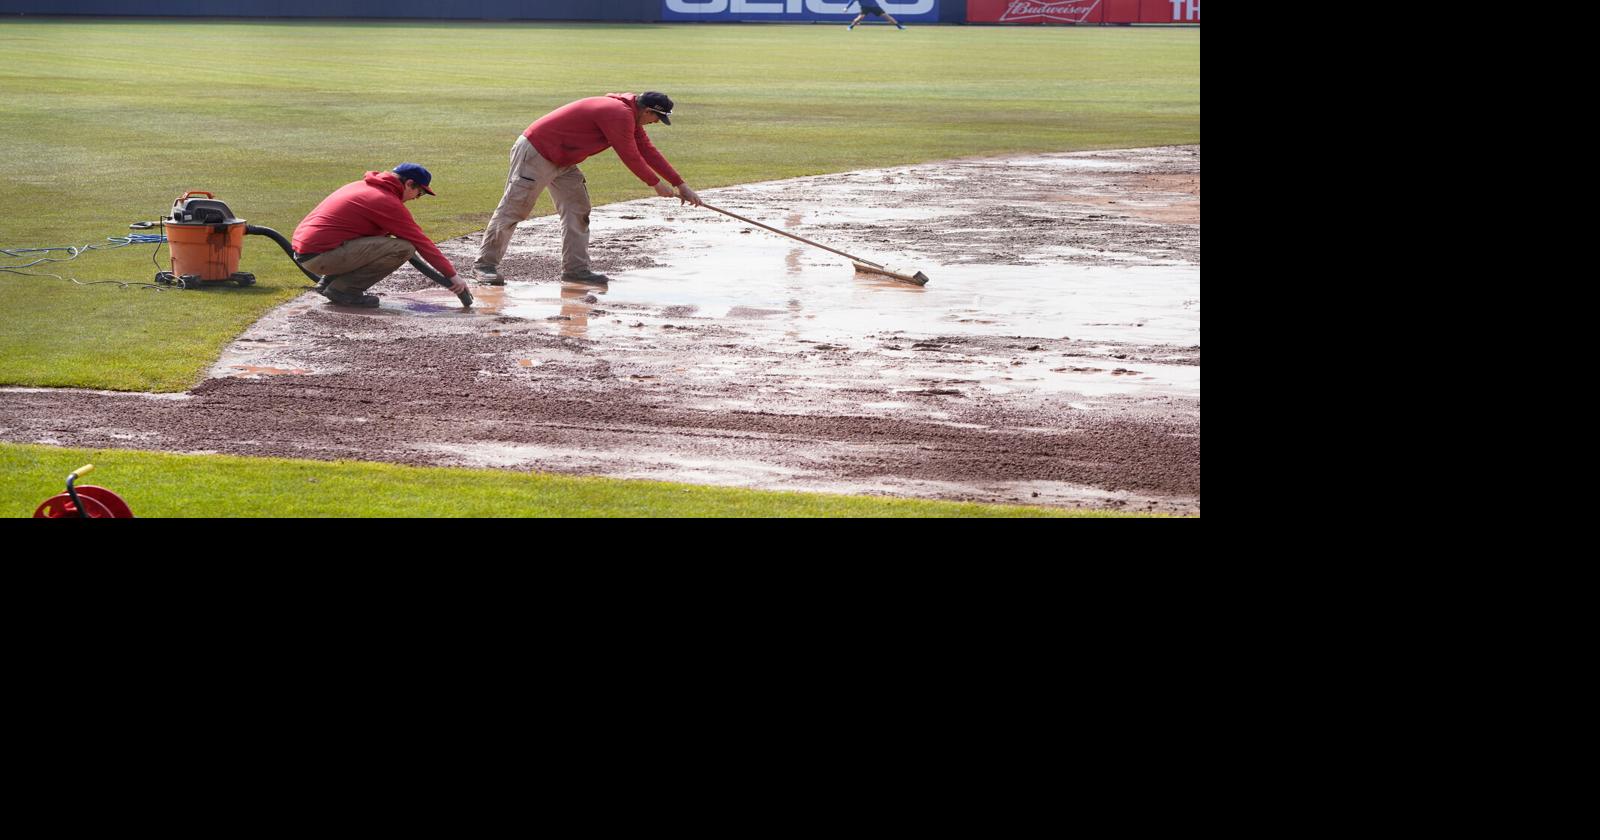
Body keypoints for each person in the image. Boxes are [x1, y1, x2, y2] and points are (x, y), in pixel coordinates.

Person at [473, 91, 702, 286]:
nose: (654, 123)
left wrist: (680, 185)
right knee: (515, 208)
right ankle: (485, 266)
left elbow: (647, 150)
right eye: (656, 118)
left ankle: (575, 270)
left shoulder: (629, 115)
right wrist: (655, 184)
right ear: (647, 111)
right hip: (537, 152)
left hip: (563, 160)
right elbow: (630, 155)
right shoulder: (618, 113)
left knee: (578, 209)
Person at [292, 163, 466, 307]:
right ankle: (344, 290)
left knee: (382, 239)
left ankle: (328, 283)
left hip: (308, 252)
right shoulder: (385, 201)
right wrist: (453, 277)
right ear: (409, 184)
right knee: (404, 248)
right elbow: (421, 242)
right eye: (419, 193)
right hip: (319, 257)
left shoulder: (362, 186)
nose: (416, 198)